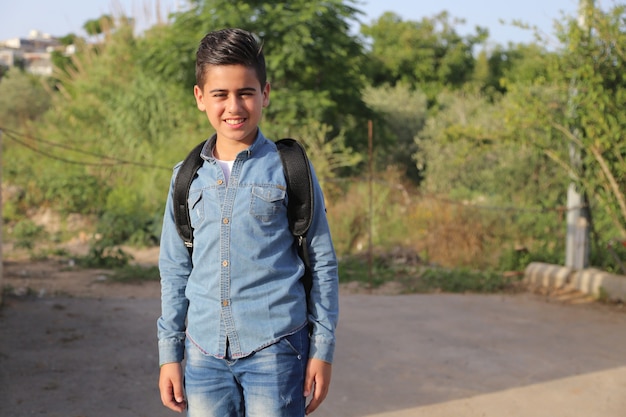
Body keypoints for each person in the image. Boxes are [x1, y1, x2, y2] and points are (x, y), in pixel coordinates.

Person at [157, 28, 339, 417]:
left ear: (265, 94)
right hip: (203, 354)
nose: (233, 106)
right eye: (220, 94)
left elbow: (322, 262)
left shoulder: (291, 168)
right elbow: (174, 270)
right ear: (200, 97)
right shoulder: (186, 177)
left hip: (276, 350)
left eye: (245, 93)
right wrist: (169, 354)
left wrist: (322, 349)